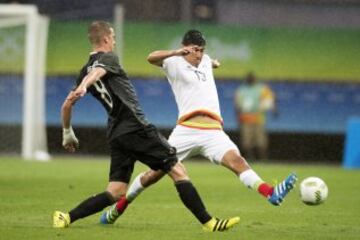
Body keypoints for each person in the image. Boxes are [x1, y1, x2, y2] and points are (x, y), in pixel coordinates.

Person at [52, 21, 240, 232]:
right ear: (105, 39)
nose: (114, 41)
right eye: (113, 37)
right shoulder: (107, 59)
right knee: (177, 169)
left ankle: (66, 217)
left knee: (116, 192)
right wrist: (86, 85)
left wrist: (67, 132)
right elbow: (97, 72)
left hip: (116, 133)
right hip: (136, 127)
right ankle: (209, 222)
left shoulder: (82, 70)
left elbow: (68, 102)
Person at [100, 30, 297, 225]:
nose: (199, 55)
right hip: (186, 130)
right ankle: (119, 207)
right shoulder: (173, 62)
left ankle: (270, 192)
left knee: (237, 161)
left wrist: (213, 63)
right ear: (186, 48)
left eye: (202, 50)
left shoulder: (205, 60)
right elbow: (150, 57)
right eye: (196, 50)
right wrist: (176, 53)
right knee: (154, 174)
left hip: (213, 132)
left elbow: (207, 62)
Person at [234, 72, 276, 160]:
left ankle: (263, 159)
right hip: (246, 118)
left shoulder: (262, 88)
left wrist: (273, 109)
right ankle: (250, 158)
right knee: (246, 142)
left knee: (261, 141)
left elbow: (269, 100)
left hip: (258, 117)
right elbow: (237, 105)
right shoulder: (242, 90)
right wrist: (238, 117)